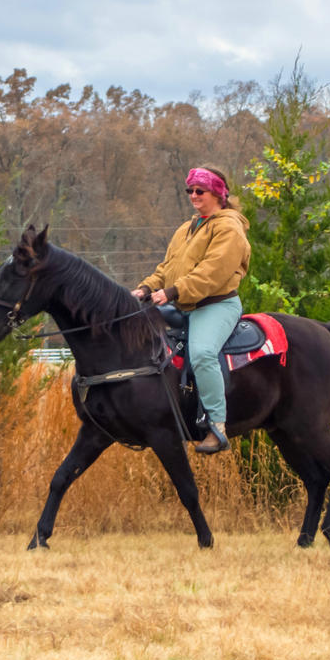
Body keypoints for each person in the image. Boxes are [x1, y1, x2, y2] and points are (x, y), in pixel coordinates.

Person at [132, 165, 251, 454]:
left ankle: (217, 426)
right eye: (190, 190)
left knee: (202, 353)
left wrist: (172, 292)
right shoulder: (187, 228)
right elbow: (167, 268)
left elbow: (212, 272)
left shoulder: (228, 227)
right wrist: (145, 288)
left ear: (218, 194)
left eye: (200, 190)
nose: (193, 195)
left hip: (216, 305)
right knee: (137, 329)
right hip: (183, 303)